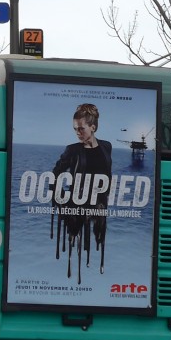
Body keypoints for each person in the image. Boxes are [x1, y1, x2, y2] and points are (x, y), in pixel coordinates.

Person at [50, 102, 113, 282]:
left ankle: (96, 279)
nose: (77, 132)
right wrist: (61, 197)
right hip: (76, 205)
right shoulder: (73, 150)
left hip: (99, 205)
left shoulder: (106, 146)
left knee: (98, 244)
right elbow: (56, 173)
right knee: (73, 248)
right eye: (75, 129)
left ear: (93, 127)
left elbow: (107, 174)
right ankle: (68, 279)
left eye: (81, 129)